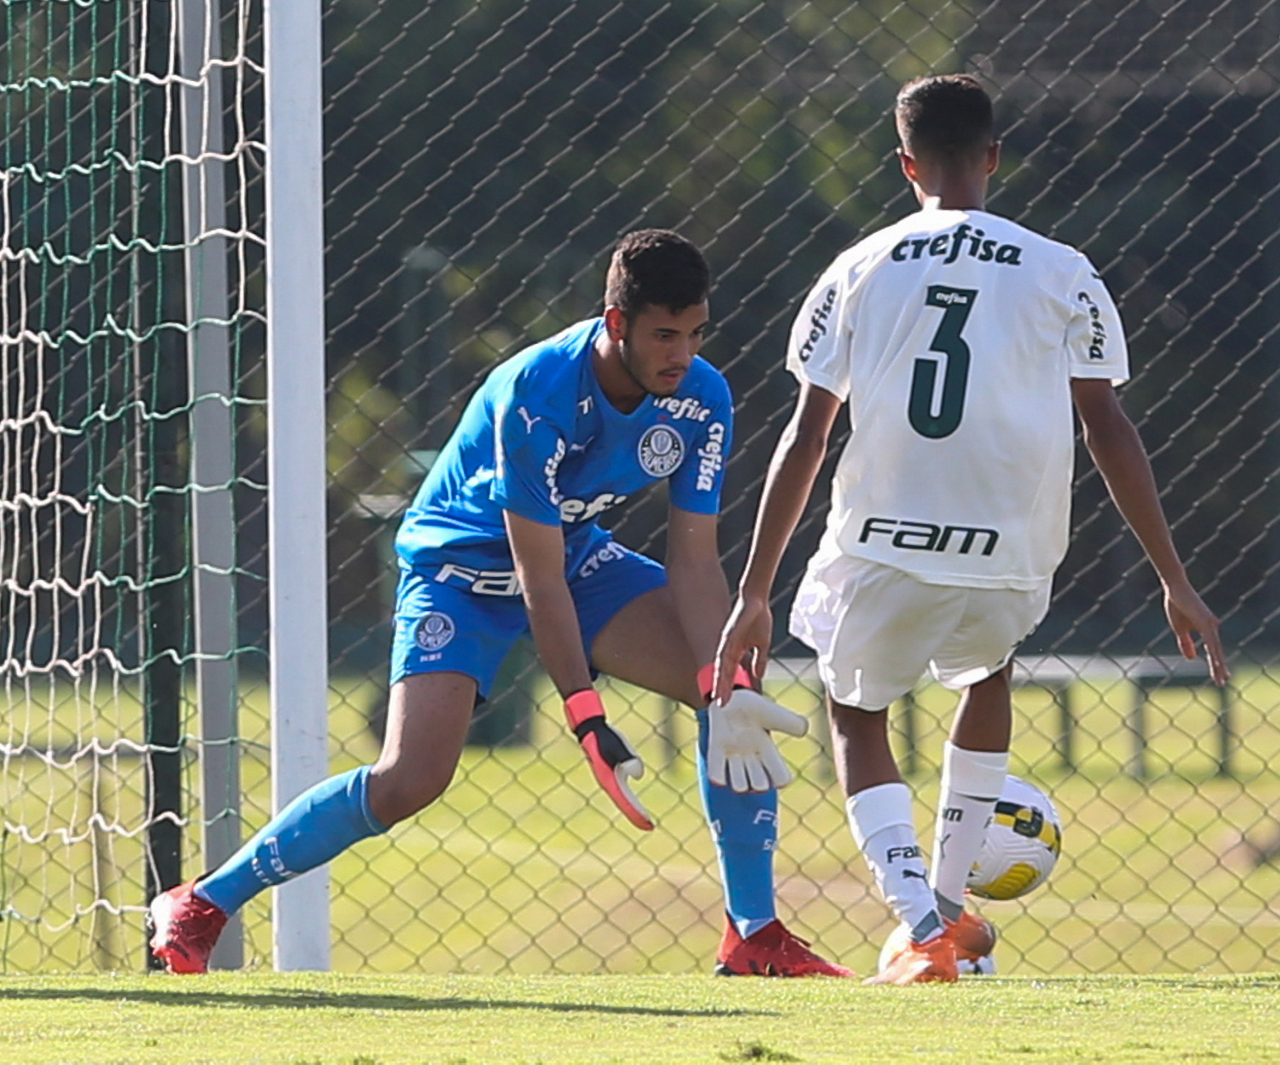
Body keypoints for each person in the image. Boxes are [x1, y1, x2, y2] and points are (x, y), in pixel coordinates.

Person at [149, 228, 852, 978]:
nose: (683, 354)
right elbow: (535, 578)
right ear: (617, 323)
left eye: (695, 333)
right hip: (462, 577)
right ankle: (203, 901)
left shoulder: (702, 398)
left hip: (577, 558)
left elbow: (694, 561)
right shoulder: (537, 392)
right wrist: (588, 718)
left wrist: (723, 683)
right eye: (664, 336)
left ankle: (752, 932)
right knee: (410, 778)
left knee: (731, 693)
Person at [712, 75, 1229, 985]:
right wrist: (1173, 578)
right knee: (989, 671)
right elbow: (1108, 427)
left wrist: (754, 590)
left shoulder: (857, 268)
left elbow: (808, 435)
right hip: (1012, 553)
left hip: (883, 544)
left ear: (905, 164)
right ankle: (948, 907)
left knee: (856, 709)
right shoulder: (1064, 270)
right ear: (994, 156)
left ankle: (922, 924)